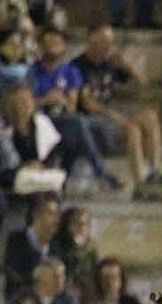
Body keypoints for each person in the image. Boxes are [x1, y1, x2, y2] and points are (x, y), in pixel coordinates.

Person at [72, 23, 162, 194]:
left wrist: (128, 66)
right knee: (132, 129)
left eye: (109, 42)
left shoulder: (110, 64)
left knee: (150, 116)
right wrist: (113, 115)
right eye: (102, 41)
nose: (106, 46)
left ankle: (154, 171)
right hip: (93, 121)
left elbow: (144, 86)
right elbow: (87, 103)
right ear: (90, 40)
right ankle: (140, 185)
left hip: (112, 119)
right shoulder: (78, 66)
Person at [26, 27, 120, 192]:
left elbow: (71, 106)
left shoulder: (71, 71)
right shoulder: (32, 72)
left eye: (56, 43)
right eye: (48, 44)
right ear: (40, 46)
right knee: (78, 125)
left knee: (81, 127)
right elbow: (26, 105)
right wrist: (45, 100)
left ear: (64, 47)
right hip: (40, 121)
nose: (52, 47)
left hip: (63, 120)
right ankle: (101, 173)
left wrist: (61, 101)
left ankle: (67, 177)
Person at [3, 193, 58, 297]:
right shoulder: (16, 239)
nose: (55, 219)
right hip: (20, 300)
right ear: (35, 215)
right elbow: (13, 273)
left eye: (56, 214)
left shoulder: (56, 243)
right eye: (50, 213)